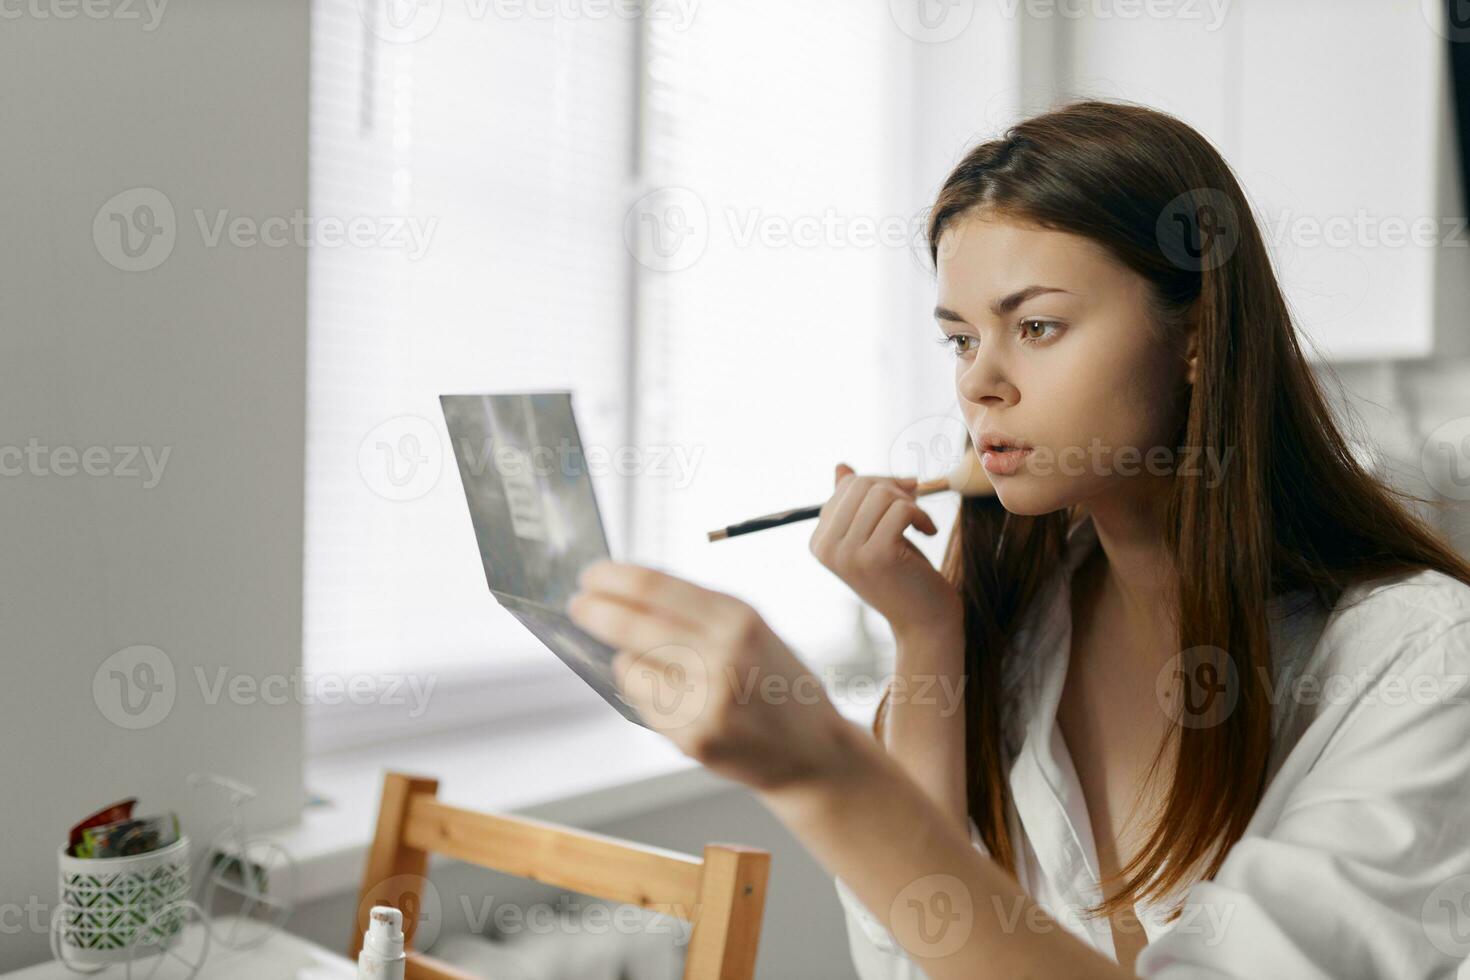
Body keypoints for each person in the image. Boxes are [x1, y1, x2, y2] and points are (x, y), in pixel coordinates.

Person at [566, 100, 1470, 978]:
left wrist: (826, 774)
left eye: (1035, 326)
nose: (980, 384)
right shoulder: (1021, 625)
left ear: (1195, 339)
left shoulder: (1421, 662)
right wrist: (926, 636)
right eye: (960, 340)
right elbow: (907, 962)